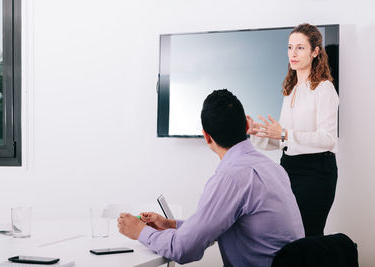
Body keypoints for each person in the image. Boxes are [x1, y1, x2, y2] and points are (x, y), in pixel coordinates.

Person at [117, 89, 304, 266]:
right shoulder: (274, 169)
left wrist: (140, 231)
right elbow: (214, 225)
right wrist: (170, 225)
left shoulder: (231, 178)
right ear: (247, 126)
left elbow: (184, 249)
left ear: (207, 137)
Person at [247, 23, 339, 237]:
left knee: (308, 235)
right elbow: (285, 141)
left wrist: (284, 134)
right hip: (289, 168)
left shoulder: (324, 89)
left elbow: (327, 139)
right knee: (289, 235)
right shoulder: (290, 90)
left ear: (315, 52)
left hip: (317, 171)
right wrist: (259, 133)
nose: (293, 54)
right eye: (290, 47)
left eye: (300, 48)